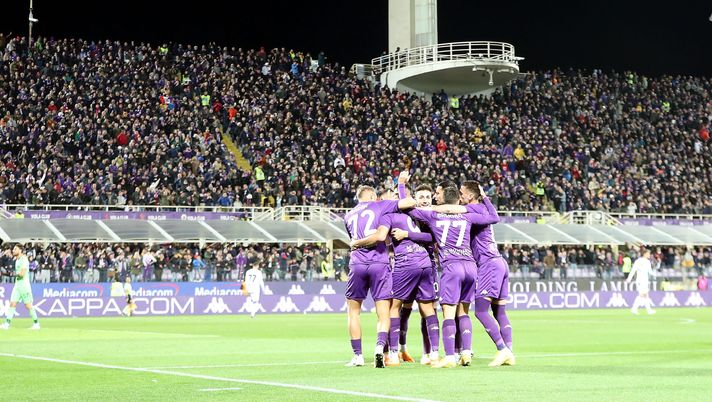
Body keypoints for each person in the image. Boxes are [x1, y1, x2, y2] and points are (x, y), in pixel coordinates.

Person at [406, 181, 499, 368]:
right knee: (463, 312)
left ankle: (449, 357)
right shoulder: (468, 216)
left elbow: (408, 209)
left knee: (448, 314)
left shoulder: (433, 215)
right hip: (471, 267)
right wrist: (485, 197)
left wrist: (402, 187)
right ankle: (466, 352)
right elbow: (492, 217)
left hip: (452, 265)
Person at [437, 181, 515, 366]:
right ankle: (509, 352)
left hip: (488, 263)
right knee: (499, 310)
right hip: (499, 261)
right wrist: (485, 197)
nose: (460, 195)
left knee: (480, 311)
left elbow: (492, 216)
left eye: (462, 193)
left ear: (470, 196)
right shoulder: (481, 209)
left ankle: (502, 349)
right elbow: (494, 216)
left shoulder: (471, 210)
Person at [344, 179, 416, 368]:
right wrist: (401, 185)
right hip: (379, 263)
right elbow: (409, 202)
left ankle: (358, 356)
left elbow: (353, 239)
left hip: (357, 263)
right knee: (383, 313)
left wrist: (358, 244)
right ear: (373, 196)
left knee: (353, 312)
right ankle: (378, 349)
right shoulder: (381, 205)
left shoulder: (348, 215)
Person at [376, 177, 439, 367]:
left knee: (394, 308)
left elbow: (380, 237)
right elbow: (432, 238)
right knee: (428, 309)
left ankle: (393, 353)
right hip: (425, 264)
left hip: (404, 264)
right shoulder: (421, 215)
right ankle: (434, 353)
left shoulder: (389, 215)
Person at [1, 244, 40, 330]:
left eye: (15, 249)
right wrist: (9, 273)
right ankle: (7, 324)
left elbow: (22, 274)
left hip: (24, 286)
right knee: (12, 303)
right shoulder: (17, 260)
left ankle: (36, 324)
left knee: (28, 305)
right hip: (17, 285)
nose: (13, 250)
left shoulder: (24, 260)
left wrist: (10, 274)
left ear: (20, 250)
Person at [626, 250, 656, 315]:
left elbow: (649, 271)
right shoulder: (639, 261)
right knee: (642, 294)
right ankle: (634, 309)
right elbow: (633, 270)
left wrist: (656, 274)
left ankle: (648, 310)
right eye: (648, 253)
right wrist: (629, 278)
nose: (649, 255)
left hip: (644, 280)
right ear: (644, 254)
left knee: (645, 295)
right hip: (641, 280)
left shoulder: (646, 261)